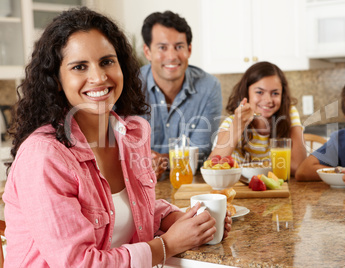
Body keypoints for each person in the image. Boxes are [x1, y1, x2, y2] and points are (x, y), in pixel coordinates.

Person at [3, 7, 231, 267]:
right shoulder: (44, 156)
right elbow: (78, 263)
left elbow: (131, 208)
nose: (99, 77)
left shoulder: (131, 133)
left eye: (107, 61)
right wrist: (168, 245)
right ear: (56, 79)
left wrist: (184, 220)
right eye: (79, 66)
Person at [140, 11, 222, 179]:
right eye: (162, 47)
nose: (172, 56)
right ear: (147, 52)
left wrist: (160, 161)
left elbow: (202, 151)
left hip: (190, 186)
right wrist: (142, 160)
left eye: (179, 47)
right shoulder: (130, 87)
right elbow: (119, 147)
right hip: (140, 186)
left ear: (189, 50)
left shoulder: (209, 87)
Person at [210, 61, 306, 175]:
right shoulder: (231, 122)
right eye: (259, 92)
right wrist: (238, 124)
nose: (268, 100)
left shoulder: (289, 114)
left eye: (275, 93)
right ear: (247, 93)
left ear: (283, 95)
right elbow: (212, 167)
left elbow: (298, 166)